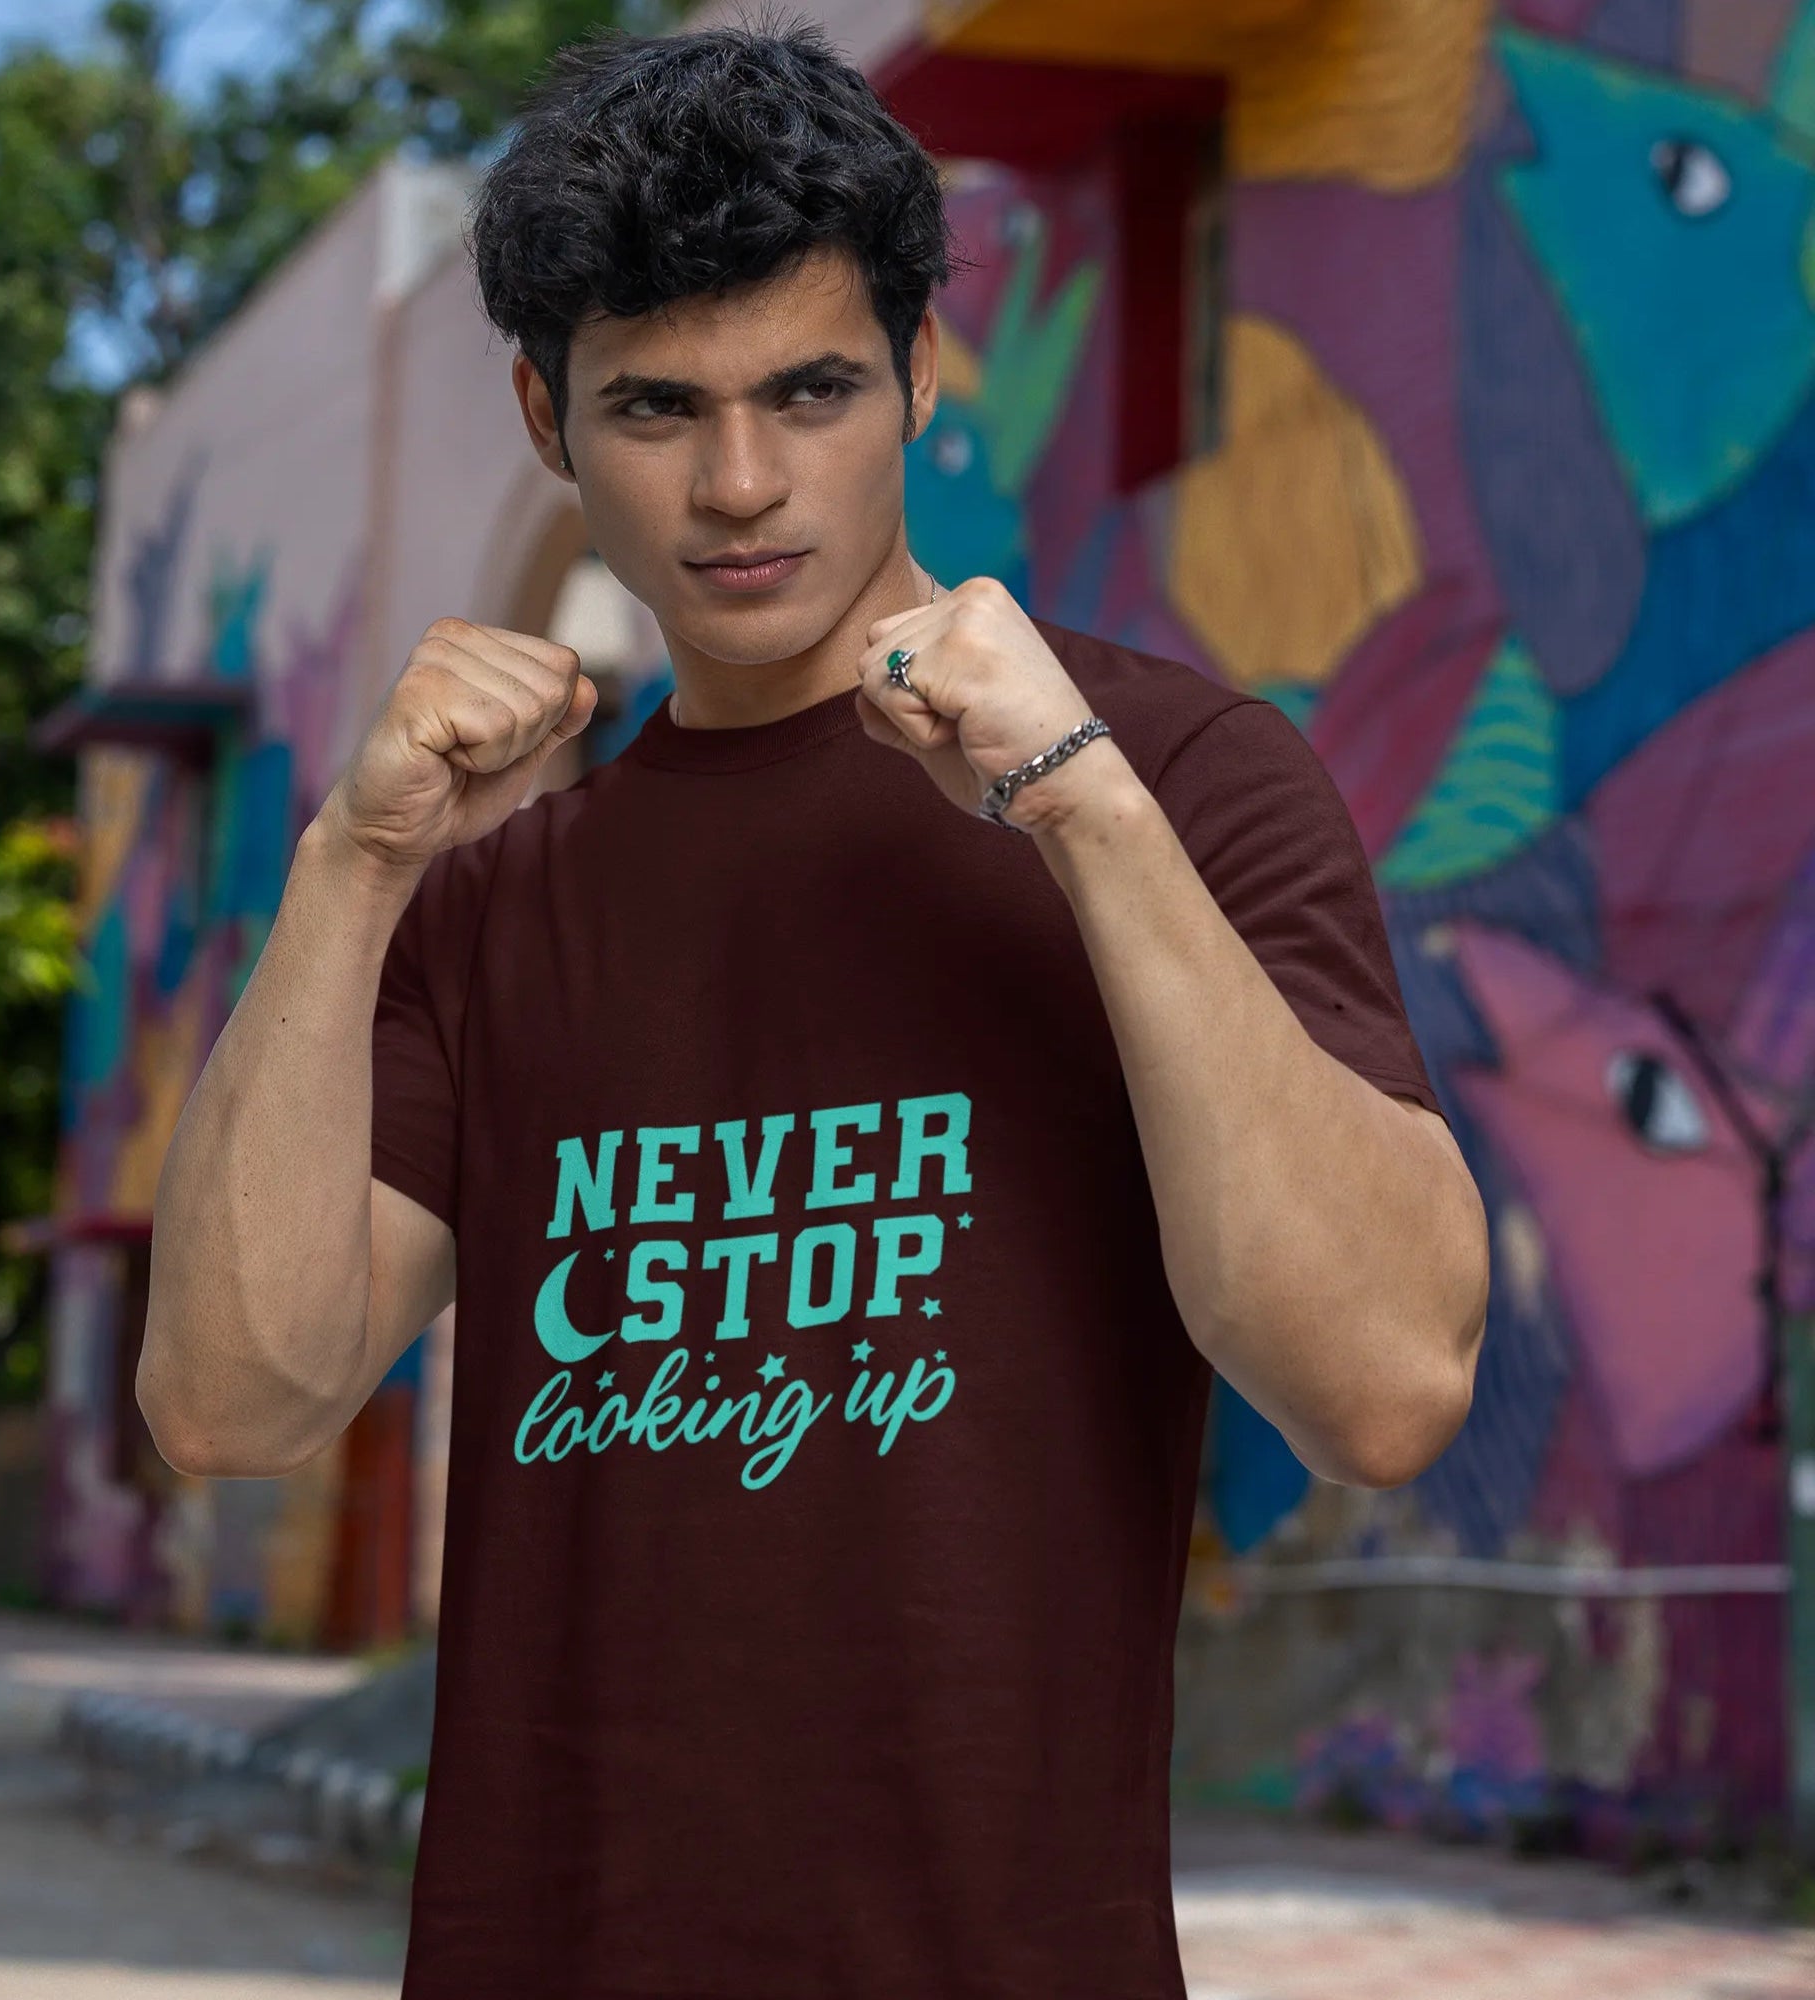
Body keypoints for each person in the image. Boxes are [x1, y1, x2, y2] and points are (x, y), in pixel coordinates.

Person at [141, 14, 1491, 1995]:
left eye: (814, 387)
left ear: (924, 370)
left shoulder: (1184, 785)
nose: (742, 483)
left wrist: (1081, 809)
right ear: (546, 419)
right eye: (656, 410)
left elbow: (1383, 1386)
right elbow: (233, 1403)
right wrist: (349, 862)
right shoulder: (491, 902)